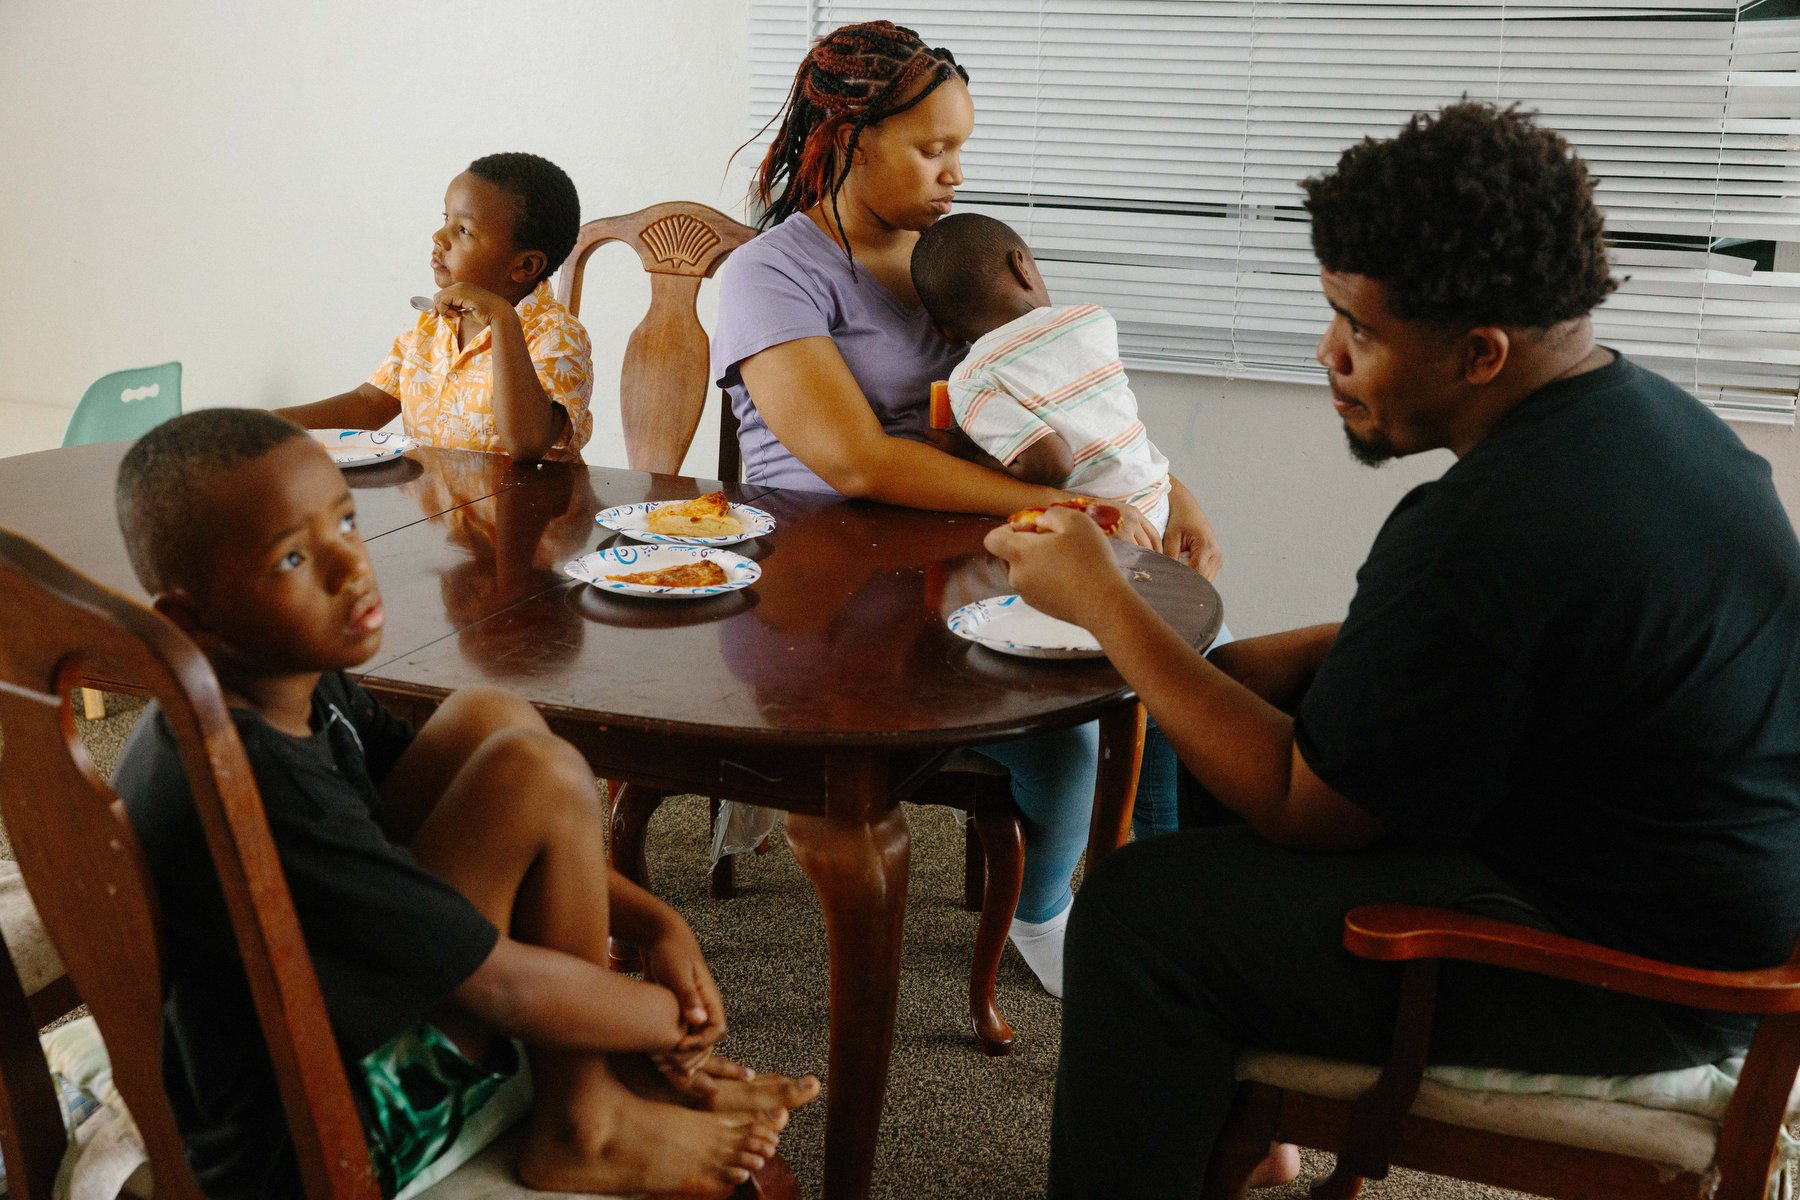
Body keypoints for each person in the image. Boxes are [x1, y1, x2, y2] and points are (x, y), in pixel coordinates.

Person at [980, 103, 1800, 1197]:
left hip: (1641, 972)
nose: (1329, 355)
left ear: (1479, 353)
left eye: (1357, 329)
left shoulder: (1484, 527)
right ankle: (1236, 1131)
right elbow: (1532, 647)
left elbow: (1300, 803)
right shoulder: (1653, 423)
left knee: (1140, 912)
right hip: (1707, 887)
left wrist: (1100, 597)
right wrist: (1289, 661)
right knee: (1242, 695)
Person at [110, 409, 816, 1199]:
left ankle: (587, 1093)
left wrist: (659, 925)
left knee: (498, 722)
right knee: (538, 774)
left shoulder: (278, 682)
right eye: (293, 559)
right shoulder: (258, 785)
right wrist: (667, 1023)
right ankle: (586, 1119)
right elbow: (499, 986)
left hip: (324, 1030)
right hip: (313, 1140)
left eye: (344, 521)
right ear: (188, 620)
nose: (351, 566)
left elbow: (486, 803)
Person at [712, 20, 1224, 995]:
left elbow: (1068, 390)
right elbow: (856, 461)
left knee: (1190, 649)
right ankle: (1046, 917)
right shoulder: (768, 275)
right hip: (832, 593)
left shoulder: (959, 256)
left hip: (966, 558)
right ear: (846, 140)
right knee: (1072, 724)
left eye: (963, 149)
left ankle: (1160, 905)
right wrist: (1070, 504)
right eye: (933, 148)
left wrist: (1165, 491)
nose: (955, 172)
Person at [912, 211, 1240, 838]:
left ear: (942, 328)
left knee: (1132, 685)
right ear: (1023, 267)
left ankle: (1075, 882)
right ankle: (1165, 838)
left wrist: (972, 452)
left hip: (1100, 549)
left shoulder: (972, 379)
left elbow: (1050, 465)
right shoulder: (1093, 321)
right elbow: (1097, 424)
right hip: (1160, 516)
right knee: (1183, 685)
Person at [280, 152, 594, 463]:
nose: (439, 236)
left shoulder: (557, 337)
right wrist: (263, 427)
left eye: (464, 230)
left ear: (525, 265)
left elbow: (527, 443)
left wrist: (502, 320)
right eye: (446, 219)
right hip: (437, 512)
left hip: (525, 511)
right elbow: (366, 403)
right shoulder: (432, 327)